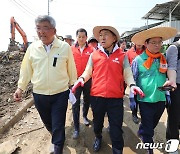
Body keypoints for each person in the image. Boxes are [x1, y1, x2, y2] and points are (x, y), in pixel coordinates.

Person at [72, 26, 144, 154]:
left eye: (106, 34)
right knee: (98, 124)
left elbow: (128, 74)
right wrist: (82, 78)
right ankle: (98, 137)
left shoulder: (122, 56)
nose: (102, 38)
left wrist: (132, 85)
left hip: (115, 98)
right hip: (97, 97)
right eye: (100, 35)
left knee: (116, 128)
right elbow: (88, 71)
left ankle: (117, 150)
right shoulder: (94, 54)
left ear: (114, 38)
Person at [13, 15, 77, 154]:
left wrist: (73, 84)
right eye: (38, 28)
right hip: (39, 94)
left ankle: (57, 146)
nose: (41, 31)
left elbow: (71, 67)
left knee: (58, 123)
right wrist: (20, 87)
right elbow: (26, 69)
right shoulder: (32, 48)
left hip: (60, 93)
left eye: (45, 28)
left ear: (54, 30)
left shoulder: (64, 47)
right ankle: (55, 135)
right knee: (48, 123)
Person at [131, 27, 177, 154]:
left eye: (159, 42)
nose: (157, 45)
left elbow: (169, 74)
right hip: (145, 99)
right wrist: (132, 96)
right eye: (153, 42)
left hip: (161, 98)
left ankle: (143, 131)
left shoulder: (163, 59)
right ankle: (149, 147)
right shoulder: (138, 60)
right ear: (146, 43)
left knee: (153, 123)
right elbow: (132, 80)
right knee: (149, 128)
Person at [71, 28, 94, 139]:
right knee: (75, 104)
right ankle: (76, 128)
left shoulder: (92, 50)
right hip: (75, 81)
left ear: (86, 37)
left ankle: (84, 116)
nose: (81, 39)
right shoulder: (71, 49)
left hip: (88, 80)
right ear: (76, 37)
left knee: (87, 100)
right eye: (79, 36)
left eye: (83, 37)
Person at [163, 33, 180, 154]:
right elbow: (171, 68)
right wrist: (172, 82)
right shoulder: (174, 48)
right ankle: (172, 144)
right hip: (176, 86)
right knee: (174, 116)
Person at [126, 43, 146, 124]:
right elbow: (126, 66)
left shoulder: (147, 51)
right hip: (133, 81)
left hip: (144, 81)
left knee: (143, 99)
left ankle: (144, 115)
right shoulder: (129, 52)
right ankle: (134, 114)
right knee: (133, 100)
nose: (139, 43)